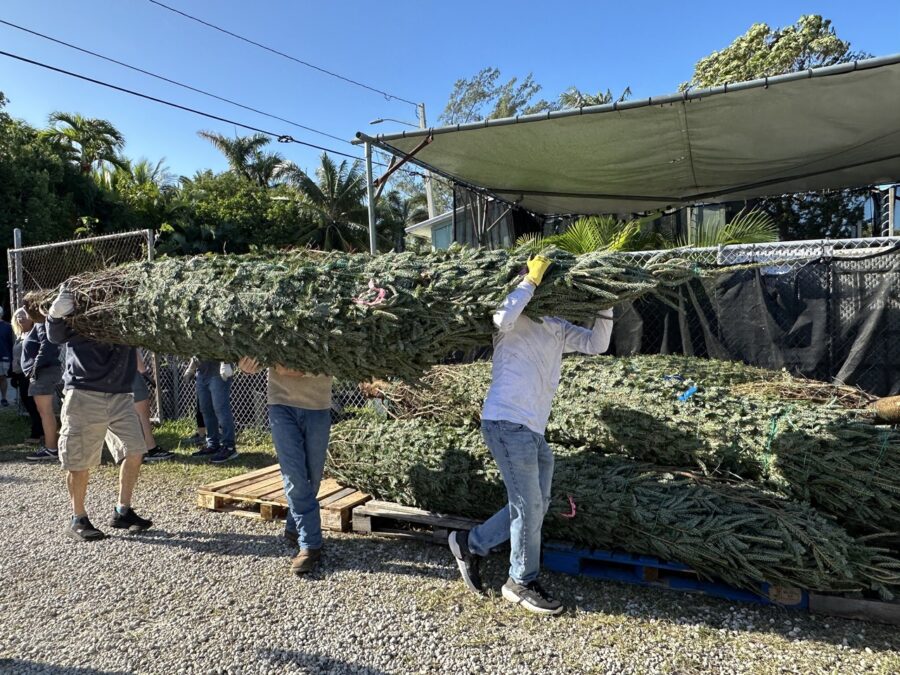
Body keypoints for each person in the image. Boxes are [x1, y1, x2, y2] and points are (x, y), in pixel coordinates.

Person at [448, 256, 613, 615]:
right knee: (528, 504)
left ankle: (470, 542)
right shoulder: (515, 315)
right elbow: (501, 317)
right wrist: (530, 279)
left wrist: (607, 300)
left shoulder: (557, 326)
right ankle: (520, 581)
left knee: (535, 504)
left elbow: (597, 344)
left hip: (533, 430)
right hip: (506, 422)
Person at [45, 285, 153, 541]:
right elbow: (55, 335)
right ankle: (78, 519)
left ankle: (122, 511)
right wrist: (55, 315)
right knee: (79, 460)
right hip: (84, 394)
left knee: (135, 450)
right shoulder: (82, 317)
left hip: (120, 396)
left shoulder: (127, 320)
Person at [238, 357, 332, 575]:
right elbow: (256, 349)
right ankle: (310, 544)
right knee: (294, 476)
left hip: (318, 405)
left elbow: (336, 356)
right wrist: (246, 364)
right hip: (280, 403)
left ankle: (294, 527)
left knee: (313, 477)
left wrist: (305, 369)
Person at [19, 305, 63, 462]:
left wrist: (34, 369)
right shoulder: (39, 323)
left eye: (26, 308)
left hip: (44, 371)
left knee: (46, 412)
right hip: (43, 371)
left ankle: (51, 449)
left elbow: (47, 346)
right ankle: (52, 446)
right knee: (44, 412)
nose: (24, 312)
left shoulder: (41, 323)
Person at [192, 359, 238, 463]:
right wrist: (191, 369)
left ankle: (229, 447)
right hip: (202, 372)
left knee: (221, 409)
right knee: (206, 409)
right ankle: (213, 444)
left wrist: (226, 362)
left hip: (219, 372)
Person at [134, 349, 173, 462]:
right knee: (142, 414)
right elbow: (131, 351)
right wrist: (145, 373)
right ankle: (150, 449)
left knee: (136, 414)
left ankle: (139, 450)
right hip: (133, 373)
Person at [11, 308, 43, 444]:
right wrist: (13, 374)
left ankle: (37, 434)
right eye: (18, 316)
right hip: (20, 375)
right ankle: (38, 432)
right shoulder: (20, 335)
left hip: (30, 375)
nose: (20, 318)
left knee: (34, 405)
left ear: (31, 318)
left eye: (23, 315)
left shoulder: (34, 333)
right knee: (28, 405)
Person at [0, 306, 13, 407]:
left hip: (4, 356)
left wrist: (11, 358)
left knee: (2, 378)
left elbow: (11, 343)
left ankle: (4, 398)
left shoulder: (8, 326)